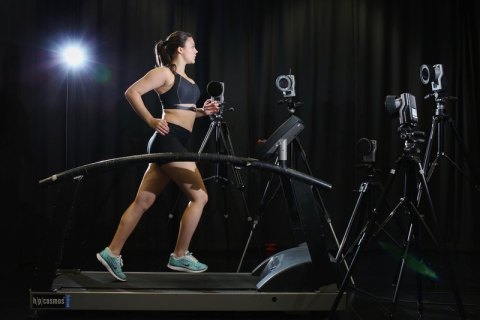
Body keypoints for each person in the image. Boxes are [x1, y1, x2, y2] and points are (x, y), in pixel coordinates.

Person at [96, 31, 219, 281]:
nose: (196, 50)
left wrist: (202, 112)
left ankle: (111, 252)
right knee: (200, 197)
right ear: (180, 50)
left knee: (143, 202)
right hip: (169, 140)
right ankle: (180, 255)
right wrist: (152, 120)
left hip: (172, 141)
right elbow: (132, 92)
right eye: (193, 46)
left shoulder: (189, 81)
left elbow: (182, 111)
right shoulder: (165, 72)